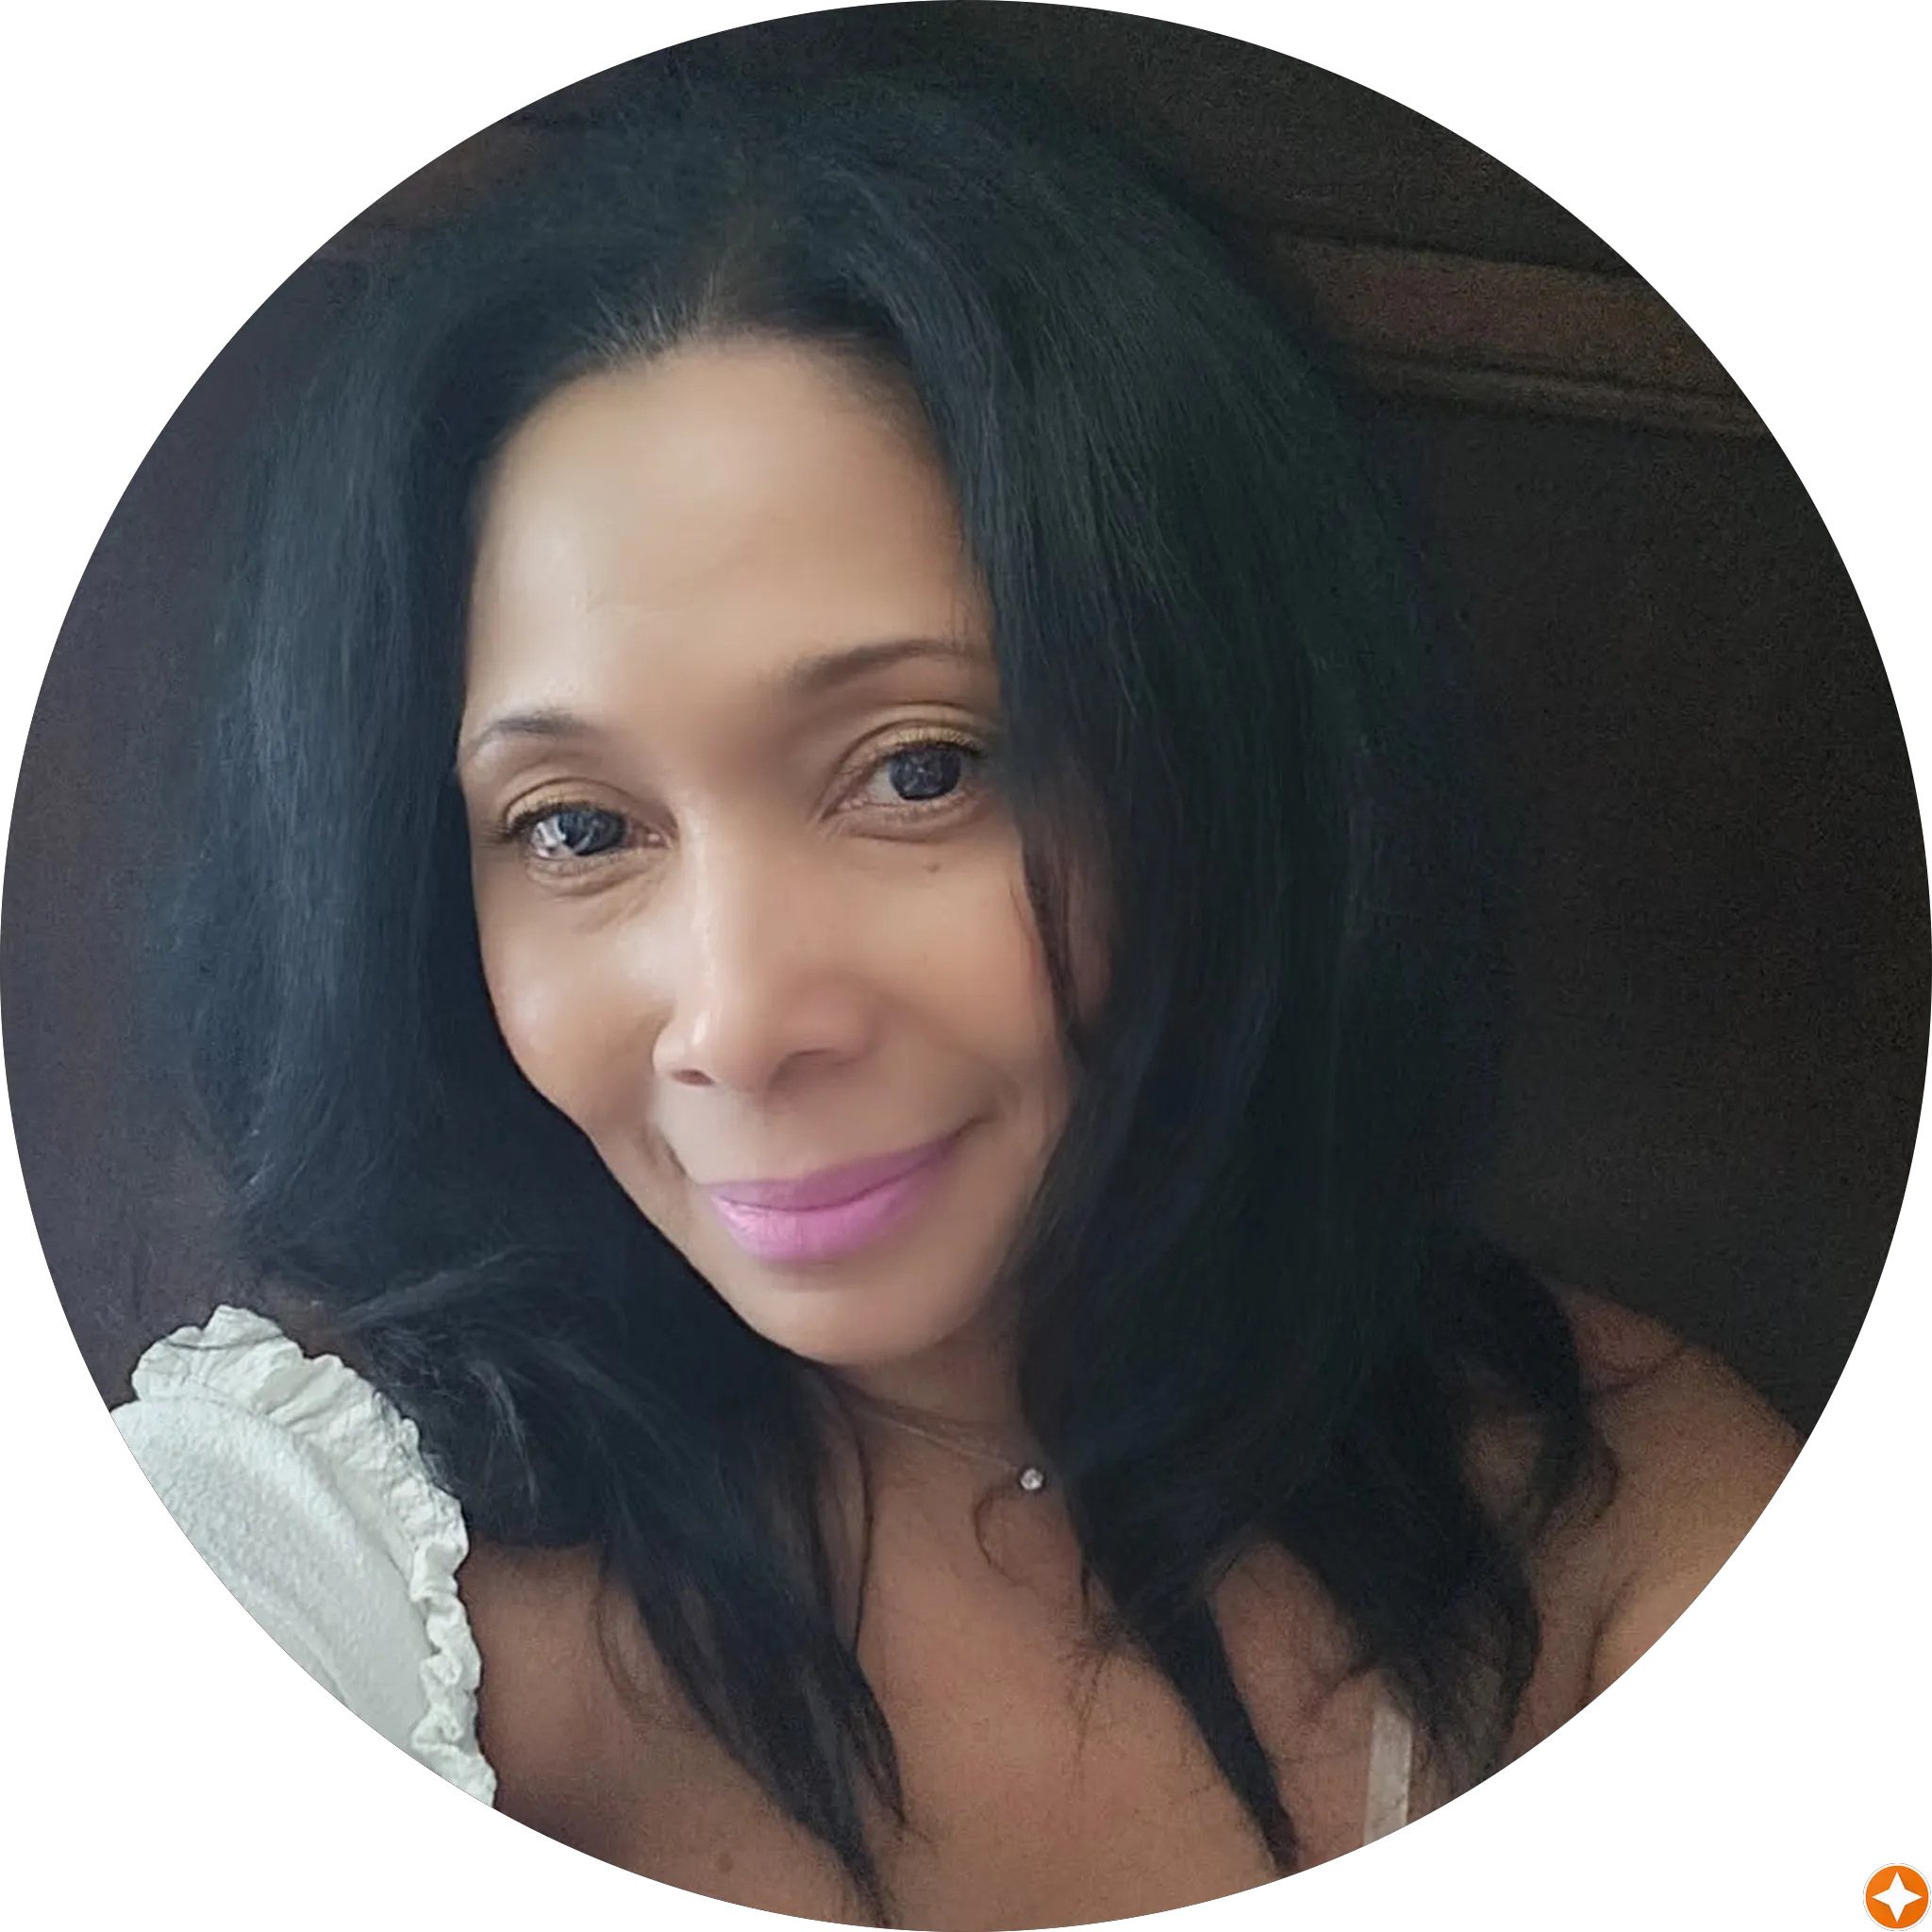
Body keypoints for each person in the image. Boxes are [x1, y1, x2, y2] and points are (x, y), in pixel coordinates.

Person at [107, 39, 1798, 1930]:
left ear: (1240, 765)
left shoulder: (1612, 1517)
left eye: (919, 770)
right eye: (575, 826)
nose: (737, 1020)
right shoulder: (304, 1544)